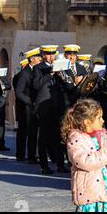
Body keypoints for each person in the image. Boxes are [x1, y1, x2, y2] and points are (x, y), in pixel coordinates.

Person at [62, 99, 107, 212]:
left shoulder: (102, 135)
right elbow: (86, 162)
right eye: (99, 118)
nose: (103, 120)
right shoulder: (76, 139)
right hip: (90, 194)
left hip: (106, 190)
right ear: (87, 122)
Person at [33, 45, 70, 174]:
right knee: (43, 137)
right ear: (44, 56)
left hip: (58, 106)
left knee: (59, 136)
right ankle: (44, 166)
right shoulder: (38, 68)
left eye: (53, 54)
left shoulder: (60, 66)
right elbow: (36, 85)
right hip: (44, 107)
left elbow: (66, 85)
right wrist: (50, 74)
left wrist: (62, 76)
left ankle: (60, 164)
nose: (51, 57)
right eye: (48, 55)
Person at [15, 48, 43, 164]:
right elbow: (19, 92)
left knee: (32, 132)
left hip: (34, 106)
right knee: (24, 131)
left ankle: (31, 155)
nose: (40, 59)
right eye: (38, 58)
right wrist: (30, 101)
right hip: (26, 107)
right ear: (32, 59)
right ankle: (21, 154)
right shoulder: (24, 73)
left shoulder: (36, 70)